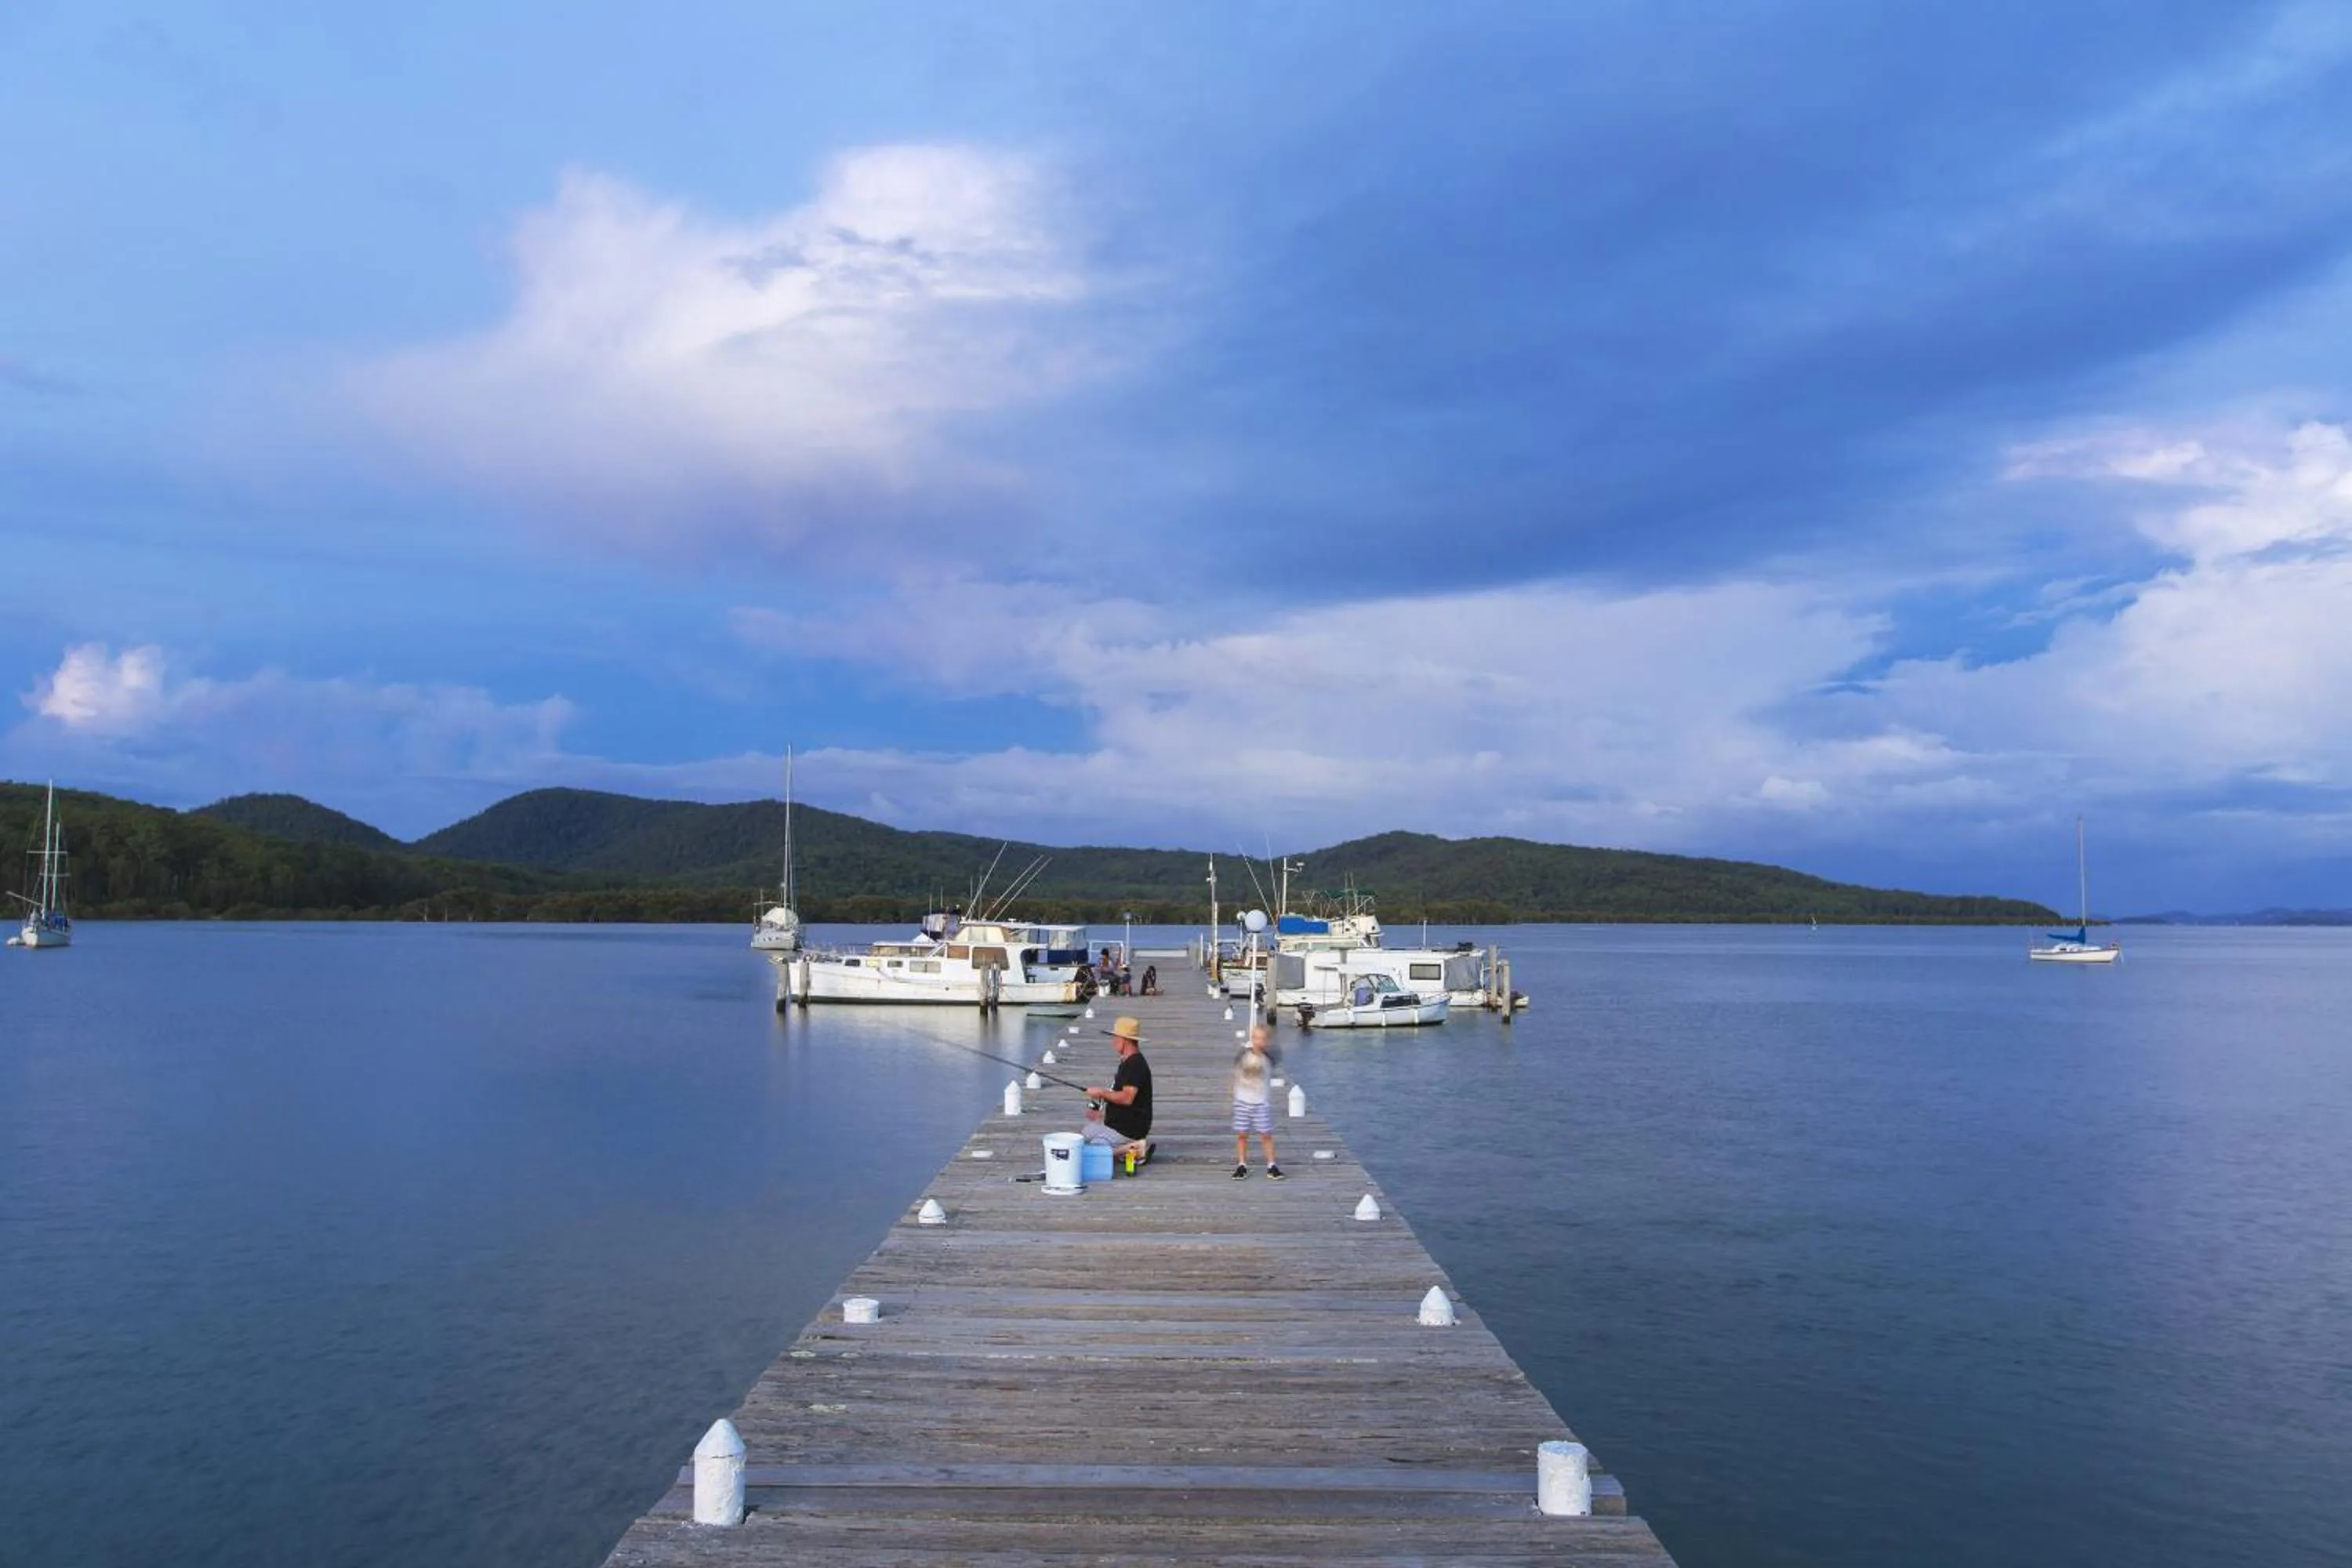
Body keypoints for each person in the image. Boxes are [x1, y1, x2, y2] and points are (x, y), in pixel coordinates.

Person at [1080, 1015, 1153, 1162]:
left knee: (1093, 1152)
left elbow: (1127, 1098)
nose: (1113, 1042)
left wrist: (1100, 1092)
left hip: (1128, 1128)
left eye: (1115, 1038)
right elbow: (1115, 1091)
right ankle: (1126, 1150)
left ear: (1125, 1040)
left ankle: (1133, 1150)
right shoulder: (1126, 1062)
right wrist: (1096, 1106)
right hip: (1114, 1124)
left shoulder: (1135, 1065)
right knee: (1082, 1136)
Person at [1231, 1022, 1283, 1179]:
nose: (1258, 1041)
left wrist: (1266, 1045)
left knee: (1265, 1134)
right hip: (1242, 1101)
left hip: (1261, 1102)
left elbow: (1277, 1053)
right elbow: (1237, 1070)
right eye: (1255, 1038)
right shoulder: (1244, 1055)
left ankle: (1272, 1164)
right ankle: (1242, 1164)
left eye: (1262, 1039)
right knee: (1242, 1134)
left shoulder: (1269, 1057)